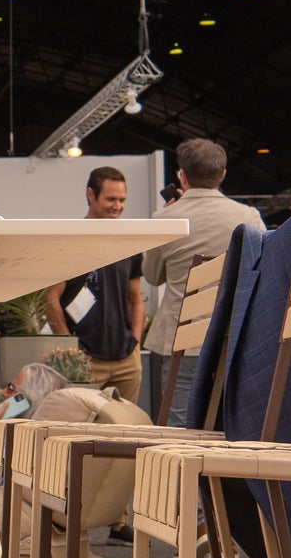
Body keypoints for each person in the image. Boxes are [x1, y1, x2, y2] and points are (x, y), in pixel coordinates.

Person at [143, 138, 264, 425]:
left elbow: (152, 275)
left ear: (181, 175)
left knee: (179, 421)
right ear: (222, 174)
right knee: (229, 420)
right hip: (231, 333)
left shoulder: (165, 219)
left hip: (181, 335)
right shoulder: (247, 217)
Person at [44, 166, 145, 401]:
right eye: (110, 199)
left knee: (125, 428)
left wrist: (136, 342)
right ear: (91, 195)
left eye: (122, 200)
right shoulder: (71, 241)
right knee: (81, 428)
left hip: (126, 360)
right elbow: (50, 297)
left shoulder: (130, 243)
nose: (117, 206)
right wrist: (67, 347)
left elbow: (136, 299)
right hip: (85, 360)